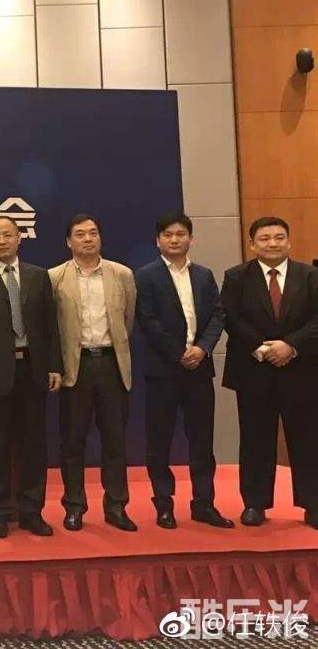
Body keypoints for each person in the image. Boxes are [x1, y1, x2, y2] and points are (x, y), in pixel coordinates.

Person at [0, 216, 62, 538]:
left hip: (33, 370)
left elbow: (50, 326)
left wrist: (54, 366)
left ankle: (32, 511)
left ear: (19, 238)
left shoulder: (38, 277)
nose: (2, 241)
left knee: (33, 446)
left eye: (7, 235)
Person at [134, 213, 232, 530]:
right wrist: (178, 353)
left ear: (191, 238)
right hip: (163, 371)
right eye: (168, 234)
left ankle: (204, 504)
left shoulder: (203, 275)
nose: (174, 239)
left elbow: (218, 315)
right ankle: (164, 504)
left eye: (180, 234)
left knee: (202, 441)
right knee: (159, 441)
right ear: (157, 240)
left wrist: (202, 348)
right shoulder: (146, 276)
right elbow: (147, 320)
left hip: (199, 369)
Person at [220, 216, 318, 528]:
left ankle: (313, 505)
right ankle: (255, 504)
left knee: (308, 440)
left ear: (289, 241)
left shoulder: (310, 275)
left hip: (301, 370)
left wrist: (290, 346)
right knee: (255, 440)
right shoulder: (236, 277)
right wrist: (262, 348)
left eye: (278, 237)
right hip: (254, 371)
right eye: (264, 238)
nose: (272, 243)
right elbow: (230, 318)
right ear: (252, 244)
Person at [49, 213, 138, 532]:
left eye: (93, 233)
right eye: (80, 234)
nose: (88, 239)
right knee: (73, 441)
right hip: (75, 366)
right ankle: (74, 506)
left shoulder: (121, 274)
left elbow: (127, 320)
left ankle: (116, 506)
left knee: (115, 439)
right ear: (68, 241)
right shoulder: (54, 277)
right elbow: (51, 326)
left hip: (112, 364)